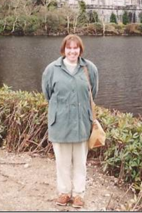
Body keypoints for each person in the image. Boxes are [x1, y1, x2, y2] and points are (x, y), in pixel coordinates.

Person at [42, 34, 99, 209]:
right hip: (60, 124)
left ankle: (79, 195)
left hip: (82, 123)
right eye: (69, 48)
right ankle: (64, 192)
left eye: (76, 48)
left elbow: (93, 93)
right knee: (62, 162)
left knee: (80, 162)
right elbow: (47, 94)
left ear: (80, 50)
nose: (72, 51)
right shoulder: (52, 69)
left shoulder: (89, 69)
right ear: (63, 49)